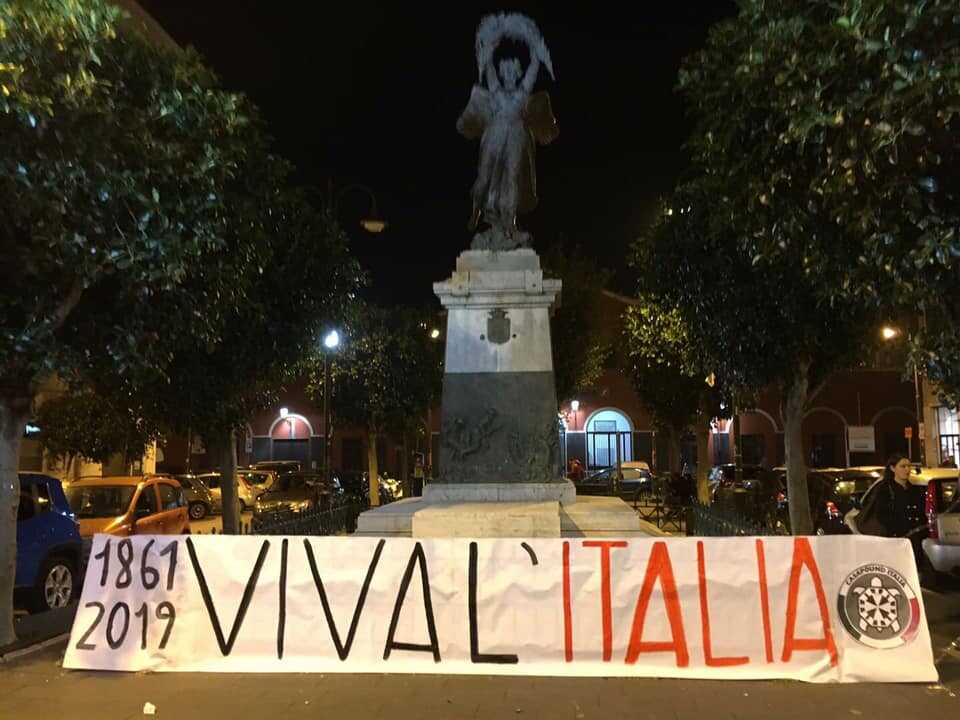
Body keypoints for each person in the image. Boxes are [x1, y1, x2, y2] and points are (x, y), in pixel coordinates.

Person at [848, 453, 926, 548]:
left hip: (914, 538)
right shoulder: (885, 489)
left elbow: (921, 511)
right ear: (893, 468)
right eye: (903, 466)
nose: (907, 469)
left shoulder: (914, 489)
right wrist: (897, 528)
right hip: (894, 539)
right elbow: (882, 514)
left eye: (909, 466)